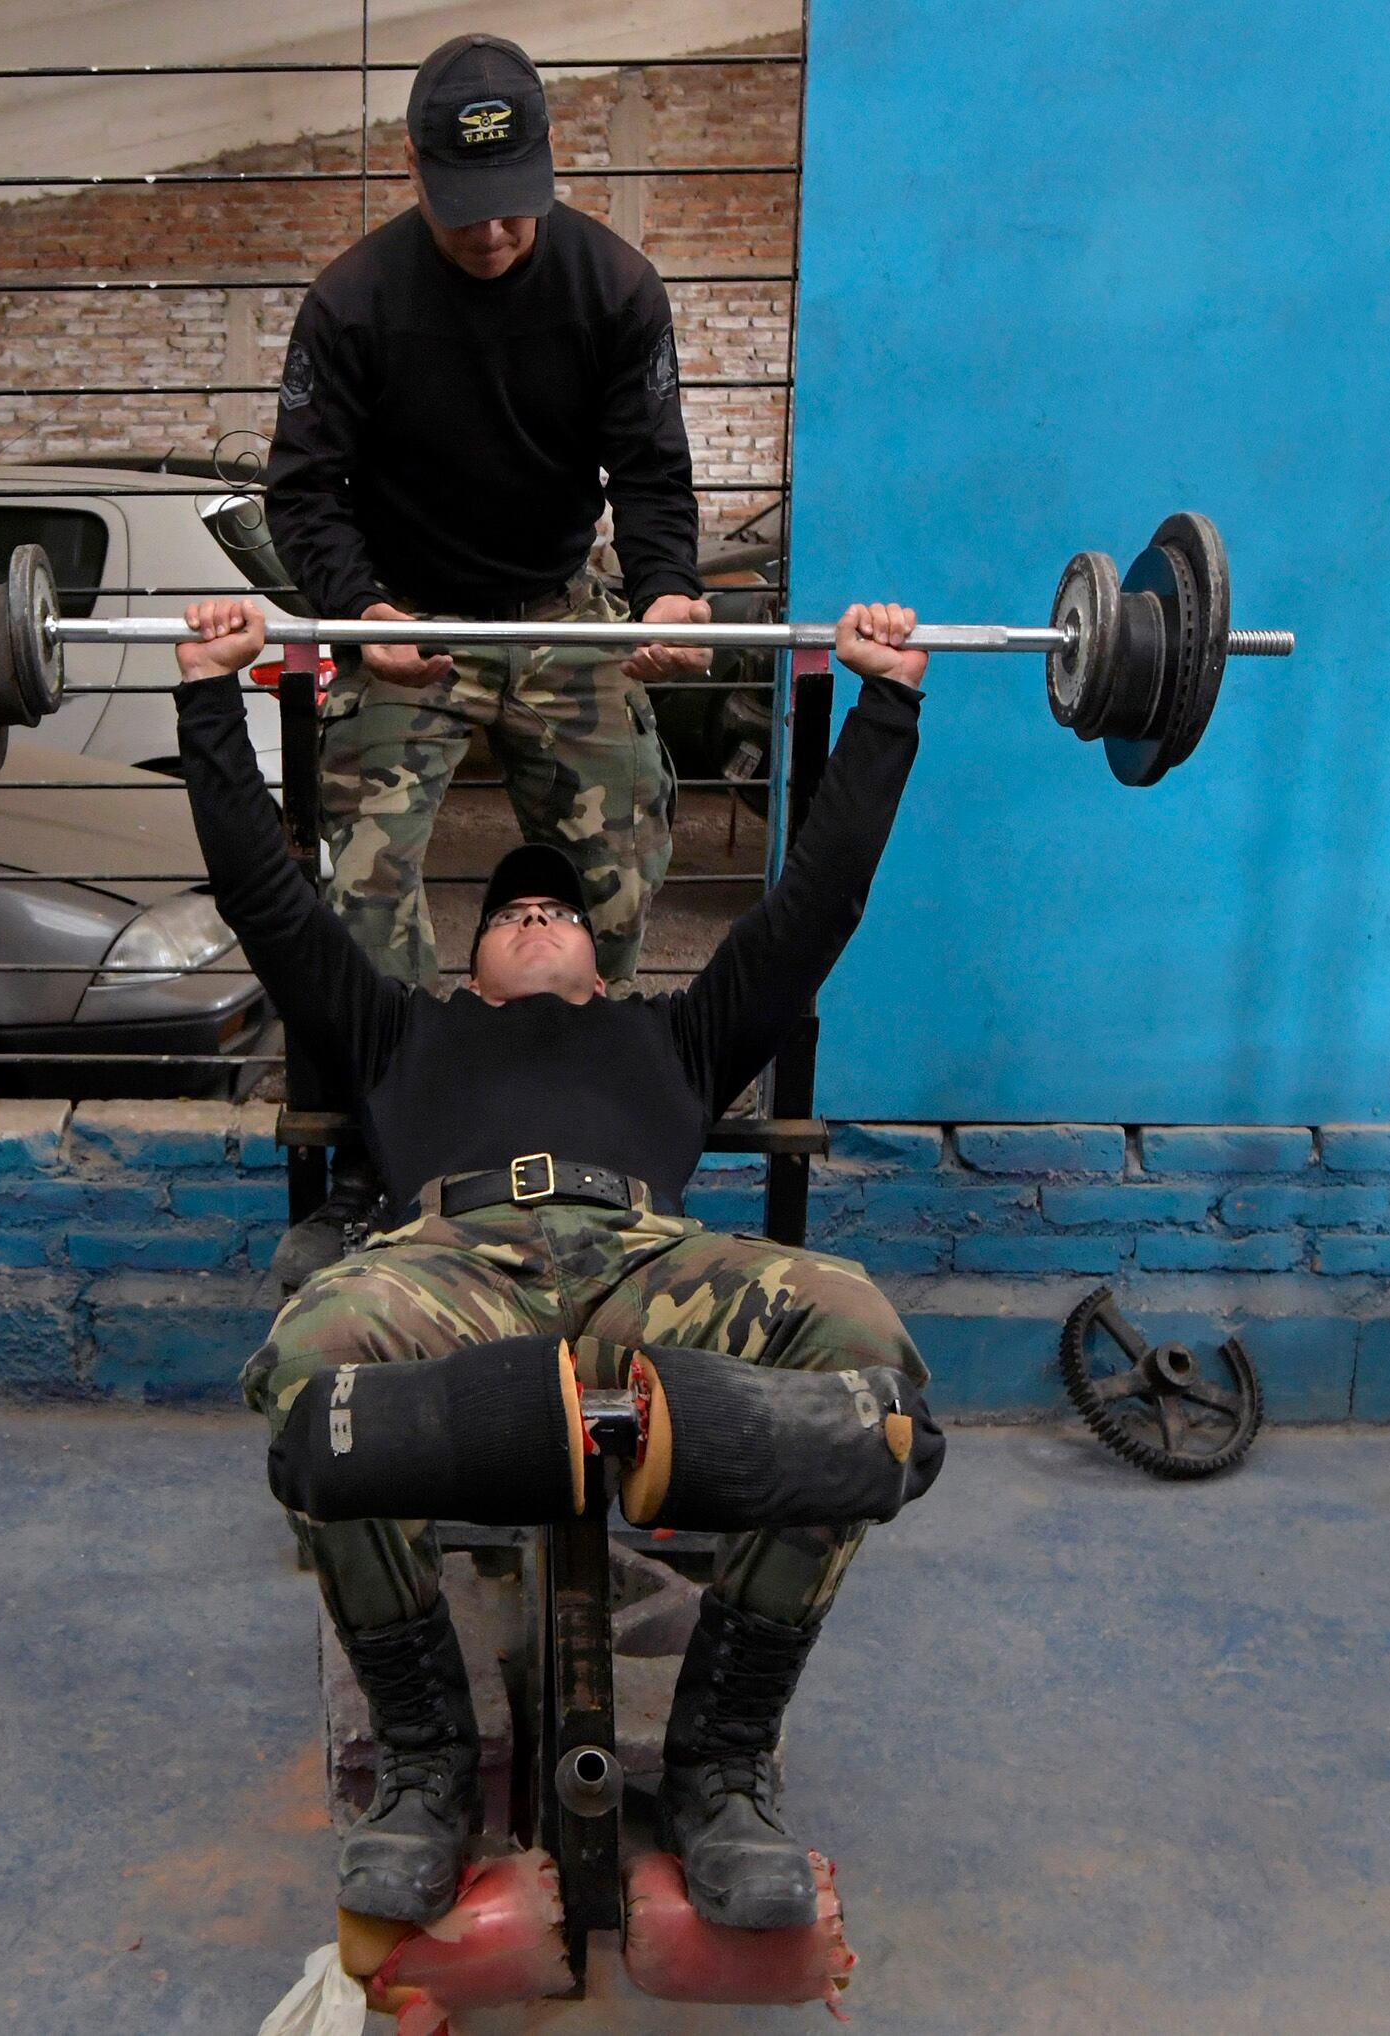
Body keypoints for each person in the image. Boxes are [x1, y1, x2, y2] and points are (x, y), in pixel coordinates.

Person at [169, 592, 935, 1933]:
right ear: (468, 967)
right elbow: (265, 895)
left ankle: (716, 1767)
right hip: (451, 1260)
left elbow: (817, 903)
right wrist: (203, 696)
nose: (533, 910)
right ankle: (423, 1767)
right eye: (507, 907)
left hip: (652, 1262)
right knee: (307, 1365)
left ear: (598, 958)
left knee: (861, 1353)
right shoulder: (399, 1029)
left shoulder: (677, 1037)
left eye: (558, 907)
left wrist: (884, 702)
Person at [263, 32, 714, 1273]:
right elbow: (303, 492)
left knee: (618, 864)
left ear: (546, 168)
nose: (494, 236)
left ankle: (588, 1119)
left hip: (562, 612)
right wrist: (361, 611)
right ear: (413, 169)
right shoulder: (352, 302)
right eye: (467, 215)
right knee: (358, 888)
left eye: (515, 208)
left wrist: (667, 593)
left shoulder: (615, 287)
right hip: (411, 619)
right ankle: (393, 1141)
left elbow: (653, 471)